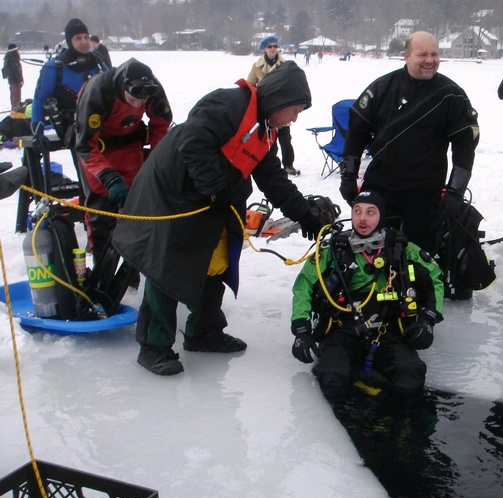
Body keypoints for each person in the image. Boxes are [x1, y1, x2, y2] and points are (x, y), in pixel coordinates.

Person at [112, 61, 326, 376]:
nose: (295, 118)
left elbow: (273, 180)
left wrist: (305, 215)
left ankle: (203, 331)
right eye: (295, 109)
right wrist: (215, 190)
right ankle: (153, 347)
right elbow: (193, 142)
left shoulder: (266, 130)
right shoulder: (230, 104)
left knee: (218, 258)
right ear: (280, 99)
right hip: (173, 193)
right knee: (167, 267)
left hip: (211, 195)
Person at [290, 190, 444, 399]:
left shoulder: (401, 249)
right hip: (342, 329)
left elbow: (435, 277)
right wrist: (301, 329)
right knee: (332, 379)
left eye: (370, 212)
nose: (362, 218)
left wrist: (428, 320)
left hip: (388, 330)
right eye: (357, 211)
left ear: (381, 216)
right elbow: (304, 284)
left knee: (410, 376)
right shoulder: (334, 249)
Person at [340, 31, 479, 253]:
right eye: (422, 54)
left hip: (424, 194)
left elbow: (465, 146)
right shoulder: (383, 88)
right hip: (380, 189)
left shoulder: (451, 95)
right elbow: (357, 132)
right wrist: (348, 175)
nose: (430, 60)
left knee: (418, 257)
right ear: (406, 56)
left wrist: (455, 191)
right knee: (372, 254)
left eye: (434, 54)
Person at [75, 58, 172, 265]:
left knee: (136, 208)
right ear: (123, 87)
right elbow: (85, 146)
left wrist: (157, 162)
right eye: (134, 99)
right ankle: (102, 265)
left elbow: (161, 125)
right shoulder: (98, 92)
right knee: (101, 212)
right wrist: (108, 177)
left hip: (130, 148)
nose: (138, 104)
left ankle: (133, 269)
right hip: (98, 152)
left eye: (143, 101)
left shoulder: (152, 88)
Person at [31, 18, 108, 145]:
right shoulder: (55, 68)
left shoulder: (98, 63)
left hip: (103, 127)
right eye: (78, 38)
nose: (84, 41)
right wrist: (38, 133)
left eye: (86, 37)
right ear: (69, 41)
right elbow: (39, 99)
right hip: (73, 132)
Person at [247, 35, 299, 176]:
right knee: (269, 139)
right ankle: (270, 165)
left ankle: (288, 165)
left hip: (282, 107)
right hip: (266, 108)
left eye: (275, 46)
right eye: (269, 46)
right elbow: (250, 85)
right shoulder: (257, 66)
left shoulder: (285, 65)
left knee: (285, 139)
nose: (273, 49)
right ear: (264, 49)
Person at [3, 44, 23, 109]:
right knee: (17, 97)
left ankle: (13, 109)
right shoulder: (14, 59)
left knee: (13, 97)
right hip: (15, 81)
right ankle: (16, 111)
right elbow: (17, 71)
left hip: (11, 80)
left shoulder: (8, 58)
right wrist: (21, 80)